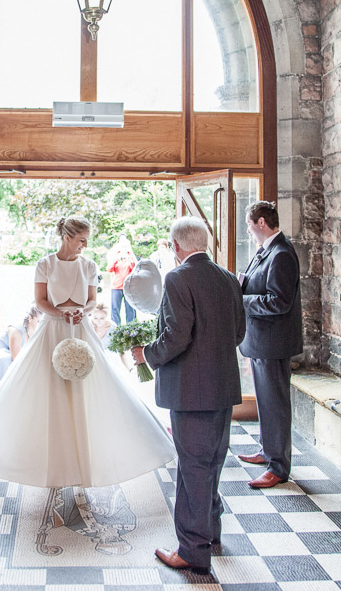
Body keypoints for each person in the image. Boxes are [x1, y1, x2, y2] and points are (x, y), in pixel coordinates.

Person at [0, 216, 175, 488]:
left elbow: (91, 301)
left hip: (81, 328)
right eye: (81, 240)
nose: (85, 245)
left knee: (90, 385)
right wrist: (61, 315)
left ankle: (88, 458)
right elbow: (40, 301)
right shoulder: (45, 264)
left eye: (87, 240)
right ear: (67, 237)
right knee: (48, 388)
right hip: (52, 330)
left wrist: (81, 313)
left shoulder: (89, 265)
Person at [132, 216, 245, 575]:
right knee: (212, 462)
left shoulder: (178, 277)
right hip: (222, 387)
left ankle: (193, 552)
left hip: (190, 391)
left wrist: (146, 354)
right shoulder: (228, 278)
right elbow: (238, 332)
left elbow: (176, 337)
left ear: (177, 246)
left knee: (193, 467)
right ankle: (210, 534)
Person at [238, 200, 303, 489]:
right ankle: (268, 451)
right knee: (266, 402)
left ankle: (278, 466)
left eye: (251, 227)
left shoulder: (282, 254)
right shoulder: (267, 251)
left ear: (261, 223)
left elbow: (279, 302)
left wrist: (240, 301)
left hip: (274, 342)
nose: (250, 232)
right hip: (262, 340)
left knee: (275, 404)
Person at [0, 305, 41, 380]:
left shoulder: (34, 333)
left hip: (13, 362)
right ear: (30, 318)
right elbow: (16, 359)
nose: (40, 325)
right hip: (0, 357)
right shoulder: (16, 332)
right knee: (6, 359)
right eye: (38, 321)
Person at [106, 234, 137, 325]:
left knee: (130, 308)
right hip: (116, 286)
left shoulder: (130, 255)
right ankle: (116, 327)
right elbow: (109, 269)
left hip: (128, 287)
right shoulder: (115, 255)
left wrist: (130, 257)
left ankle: (131, 328)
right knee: (115, 308)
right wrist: (116, 259)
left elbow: (136, 267)